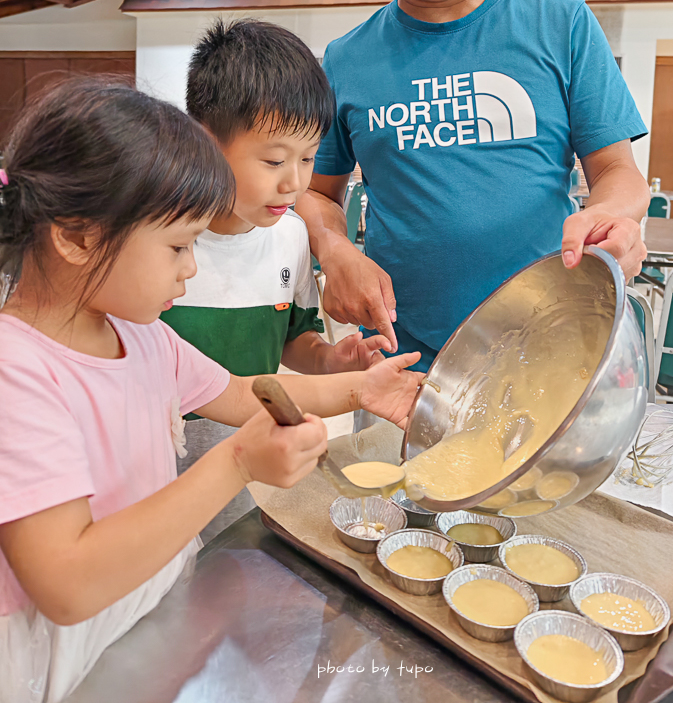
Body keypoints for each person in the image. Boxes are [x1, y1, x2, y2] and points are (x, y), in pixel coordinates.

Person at [0, 77, 420, 703]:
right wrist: (236, 462)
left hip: (149, 612)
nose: (190, 268)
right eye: (177, 246)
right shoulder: (18, 369)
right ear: (77, 236)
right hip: (58, 656)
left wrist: (361, 388)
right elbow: (67, 585)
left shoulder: (141, 337)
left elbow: (247, 391)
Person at [297, 0, 650, 379]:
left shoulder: (561, 26)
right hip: (404, 360)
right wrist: (335, 251)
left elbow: (618, 172)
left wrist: (612, 216)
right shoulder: (346, 59)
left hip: (550, 345)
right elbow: (315, 194)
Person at [162, 19, 391, 541]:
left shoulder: (290, 237)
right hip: (162, 458)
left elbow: (292, 339)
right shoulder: (159, 244)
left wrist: (330, 360)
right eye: (273, 159)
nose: (295, 181)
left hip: (257, 451)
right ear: (205, 141)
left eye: (308, 158)